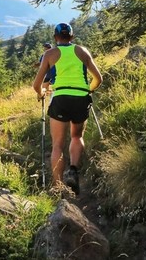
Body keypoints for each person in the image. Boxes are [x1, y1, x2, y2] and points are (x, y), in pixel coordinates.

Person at [33, 23, 102, 195]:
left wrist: (41, 92)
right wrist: (89, 89)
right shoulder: (82, 51)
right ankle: (73, 171)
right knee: (77, 136)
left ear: (56, 37)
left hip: (61, 98)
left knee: (57, 145)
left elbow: (37, 84)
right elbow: (98, 78)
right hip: (81, 97)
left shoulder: (50, 54)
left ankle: (58, 187)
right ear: (72, 36)